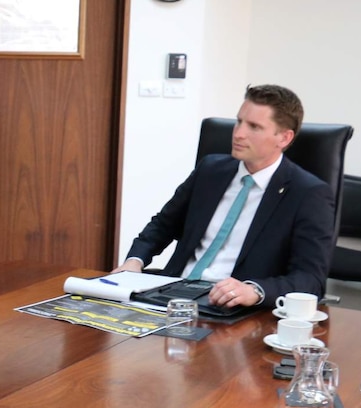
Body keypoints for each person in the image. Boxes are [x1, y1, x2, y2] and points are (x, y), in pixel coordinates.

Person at [112, 84, 334, 309]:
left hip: (232, 308)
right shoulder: (211, 170)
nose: (238, 133)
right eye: (239, 121)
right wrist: (134, 262)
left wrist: (255, 290)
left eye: (254, 127)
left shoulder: (307, 194)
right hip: (173, 295)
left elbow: (310, 280)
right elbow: (162, 225)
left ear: (284, 138)